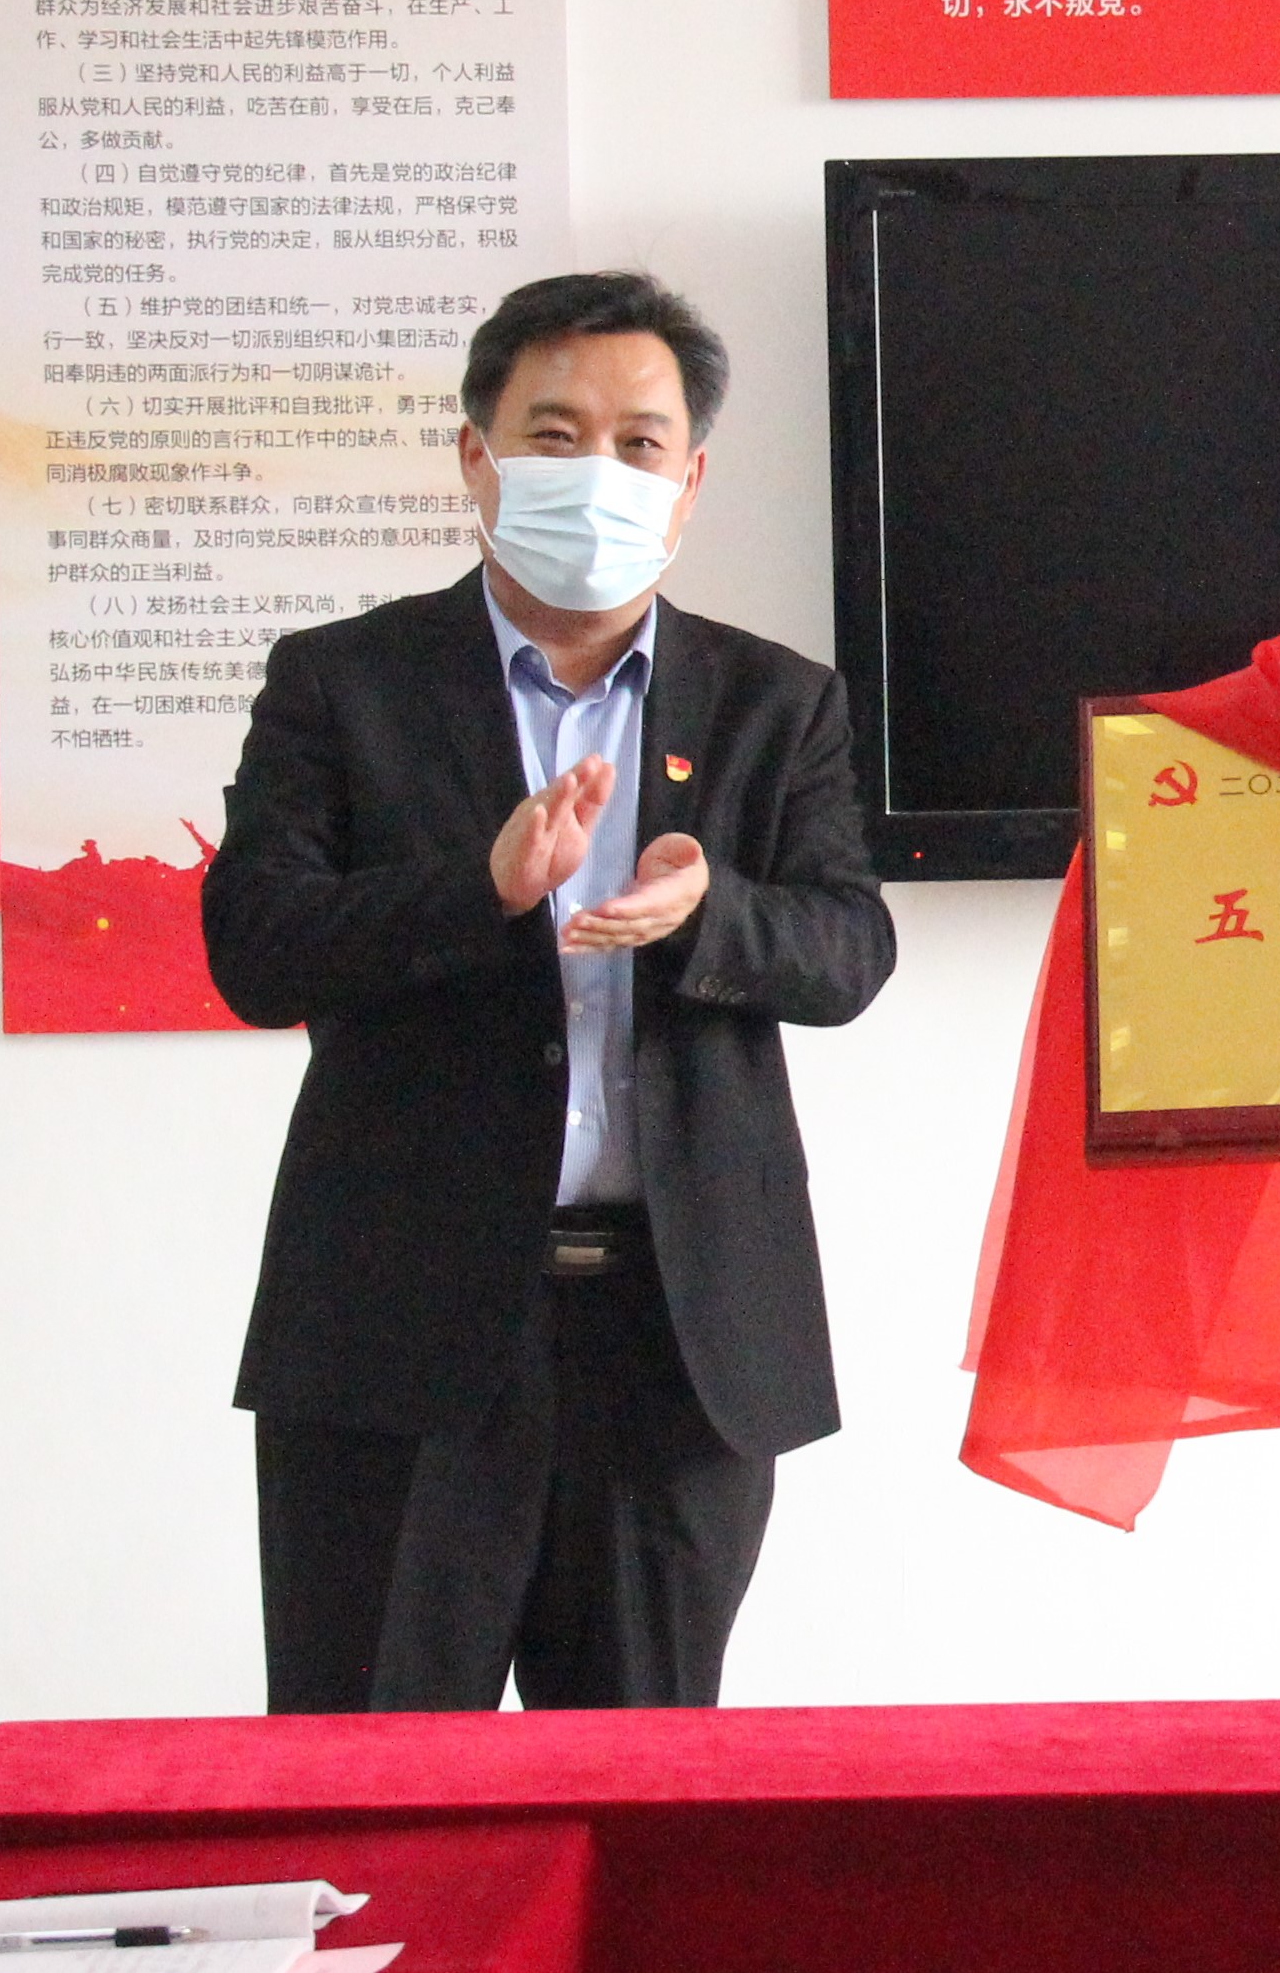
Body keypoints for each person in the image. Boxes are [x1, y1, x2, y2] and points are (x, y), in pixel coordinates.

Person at [205, 270, 897, 1713]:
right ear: (478, 455)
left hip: (676, 1338)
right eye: (555, 434)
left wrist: (711, 912)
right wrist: (484, 889)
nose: (600, 472)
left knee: (643, 1786)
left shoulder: (777, 704)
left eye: (639, 443)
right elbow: (257, 948)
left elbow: (848, 951)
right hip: (399, 1330)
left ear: (689, 480)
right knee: (375, 1780)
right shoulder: (342, 683)